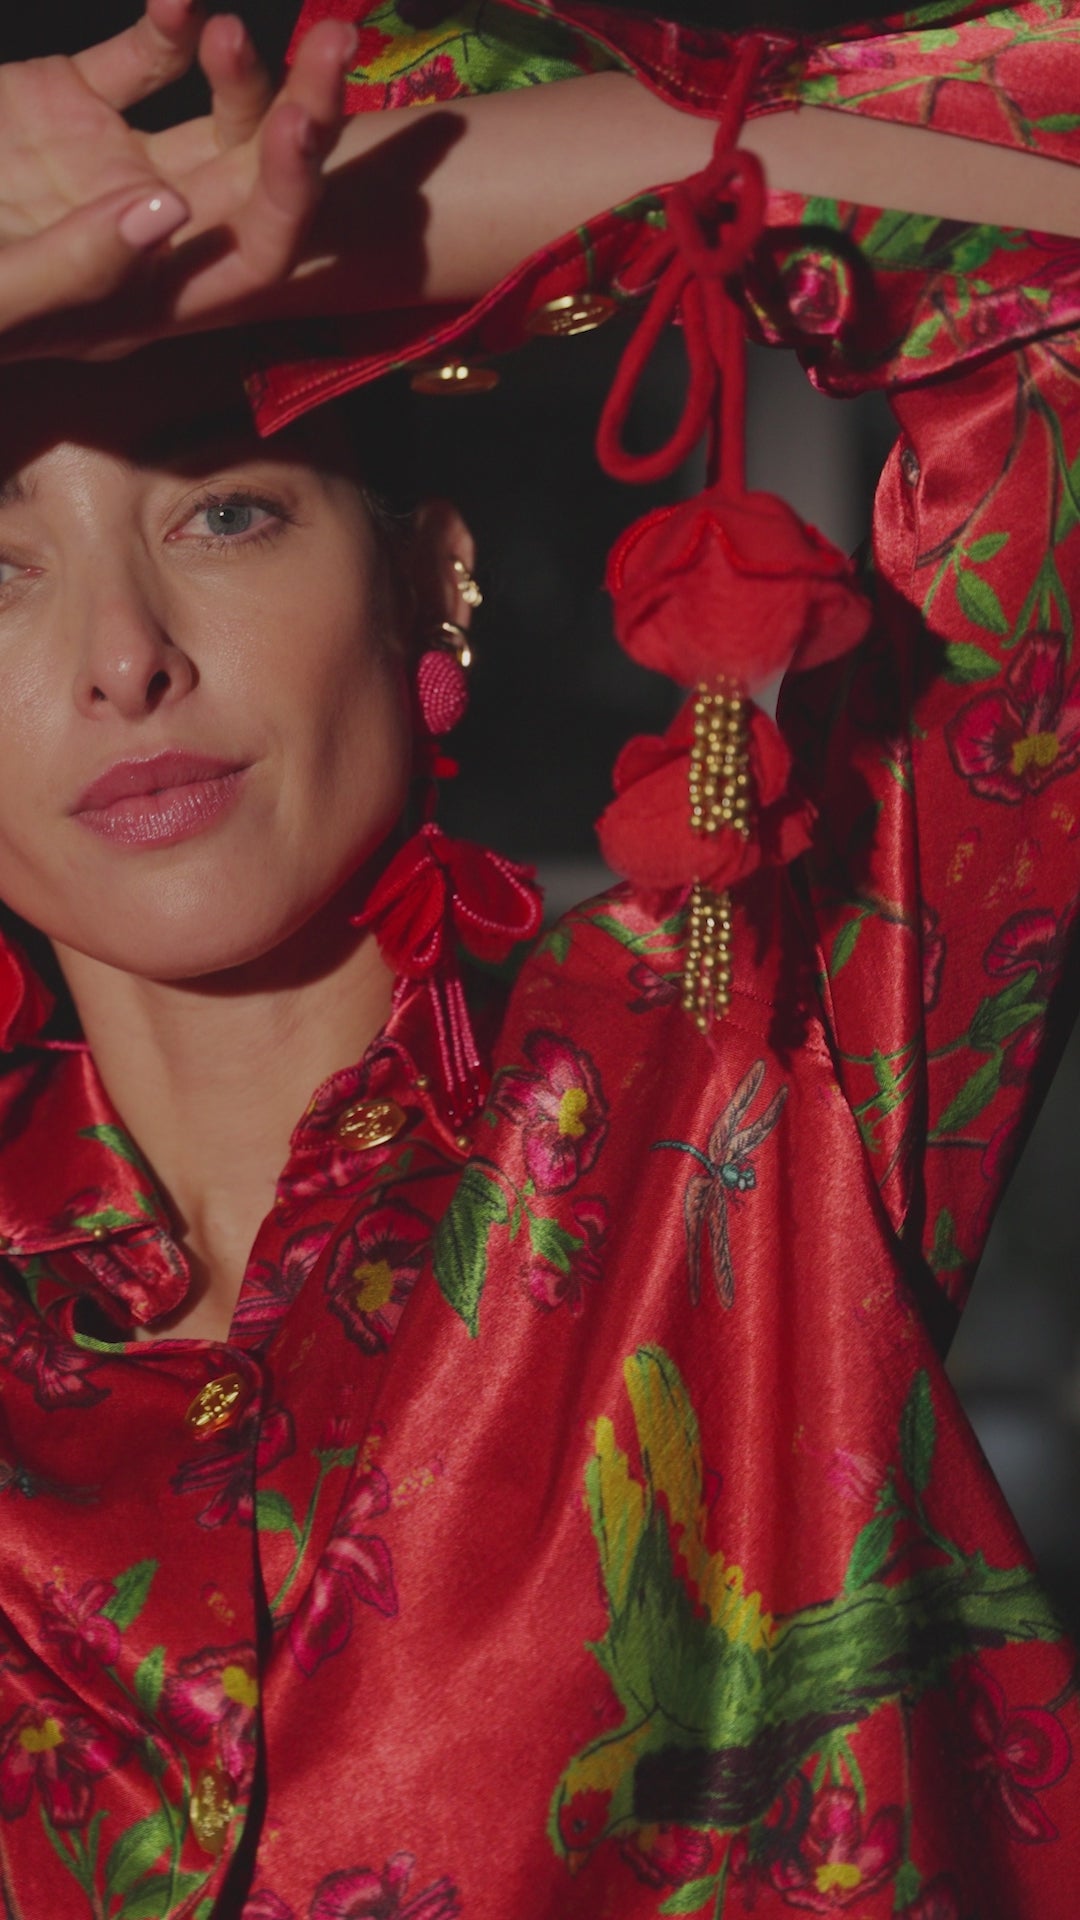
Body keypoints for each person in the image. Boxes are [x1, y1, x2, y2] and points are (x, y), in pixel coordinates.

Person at [0, 2, 1078, 1915]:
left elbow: (1046, 240)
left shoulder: (744, 1066)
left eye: (225, 506)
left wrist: (273, 237)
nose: (120, 656)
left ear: (434, 575)